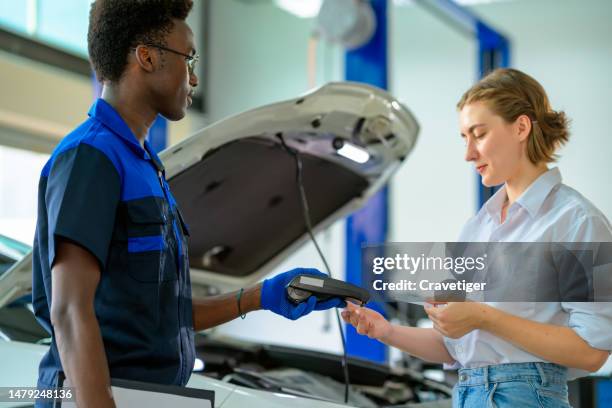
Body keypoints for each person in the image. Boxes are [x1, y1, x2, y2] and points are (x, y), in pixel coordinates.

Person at [31, 1, 343, 407]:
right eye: (188, 58)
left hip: (153, 398)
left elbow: (162, 316)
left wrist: (260, 296)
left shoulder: (146, 167)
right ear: (146, 56)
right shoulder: (92, 156)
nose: (194, 76)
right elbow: (70, 311)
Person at [342, 68, 612, 408]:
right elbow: (456, 346)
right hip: (468, 394)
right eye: (464, 138)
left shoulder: (577, 222)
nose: (468, 153)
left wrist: (484, 316)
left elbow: (592, 351)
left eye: (479, 134)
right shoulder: (477, 227)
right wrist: (386, 331)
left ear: (521, 127)